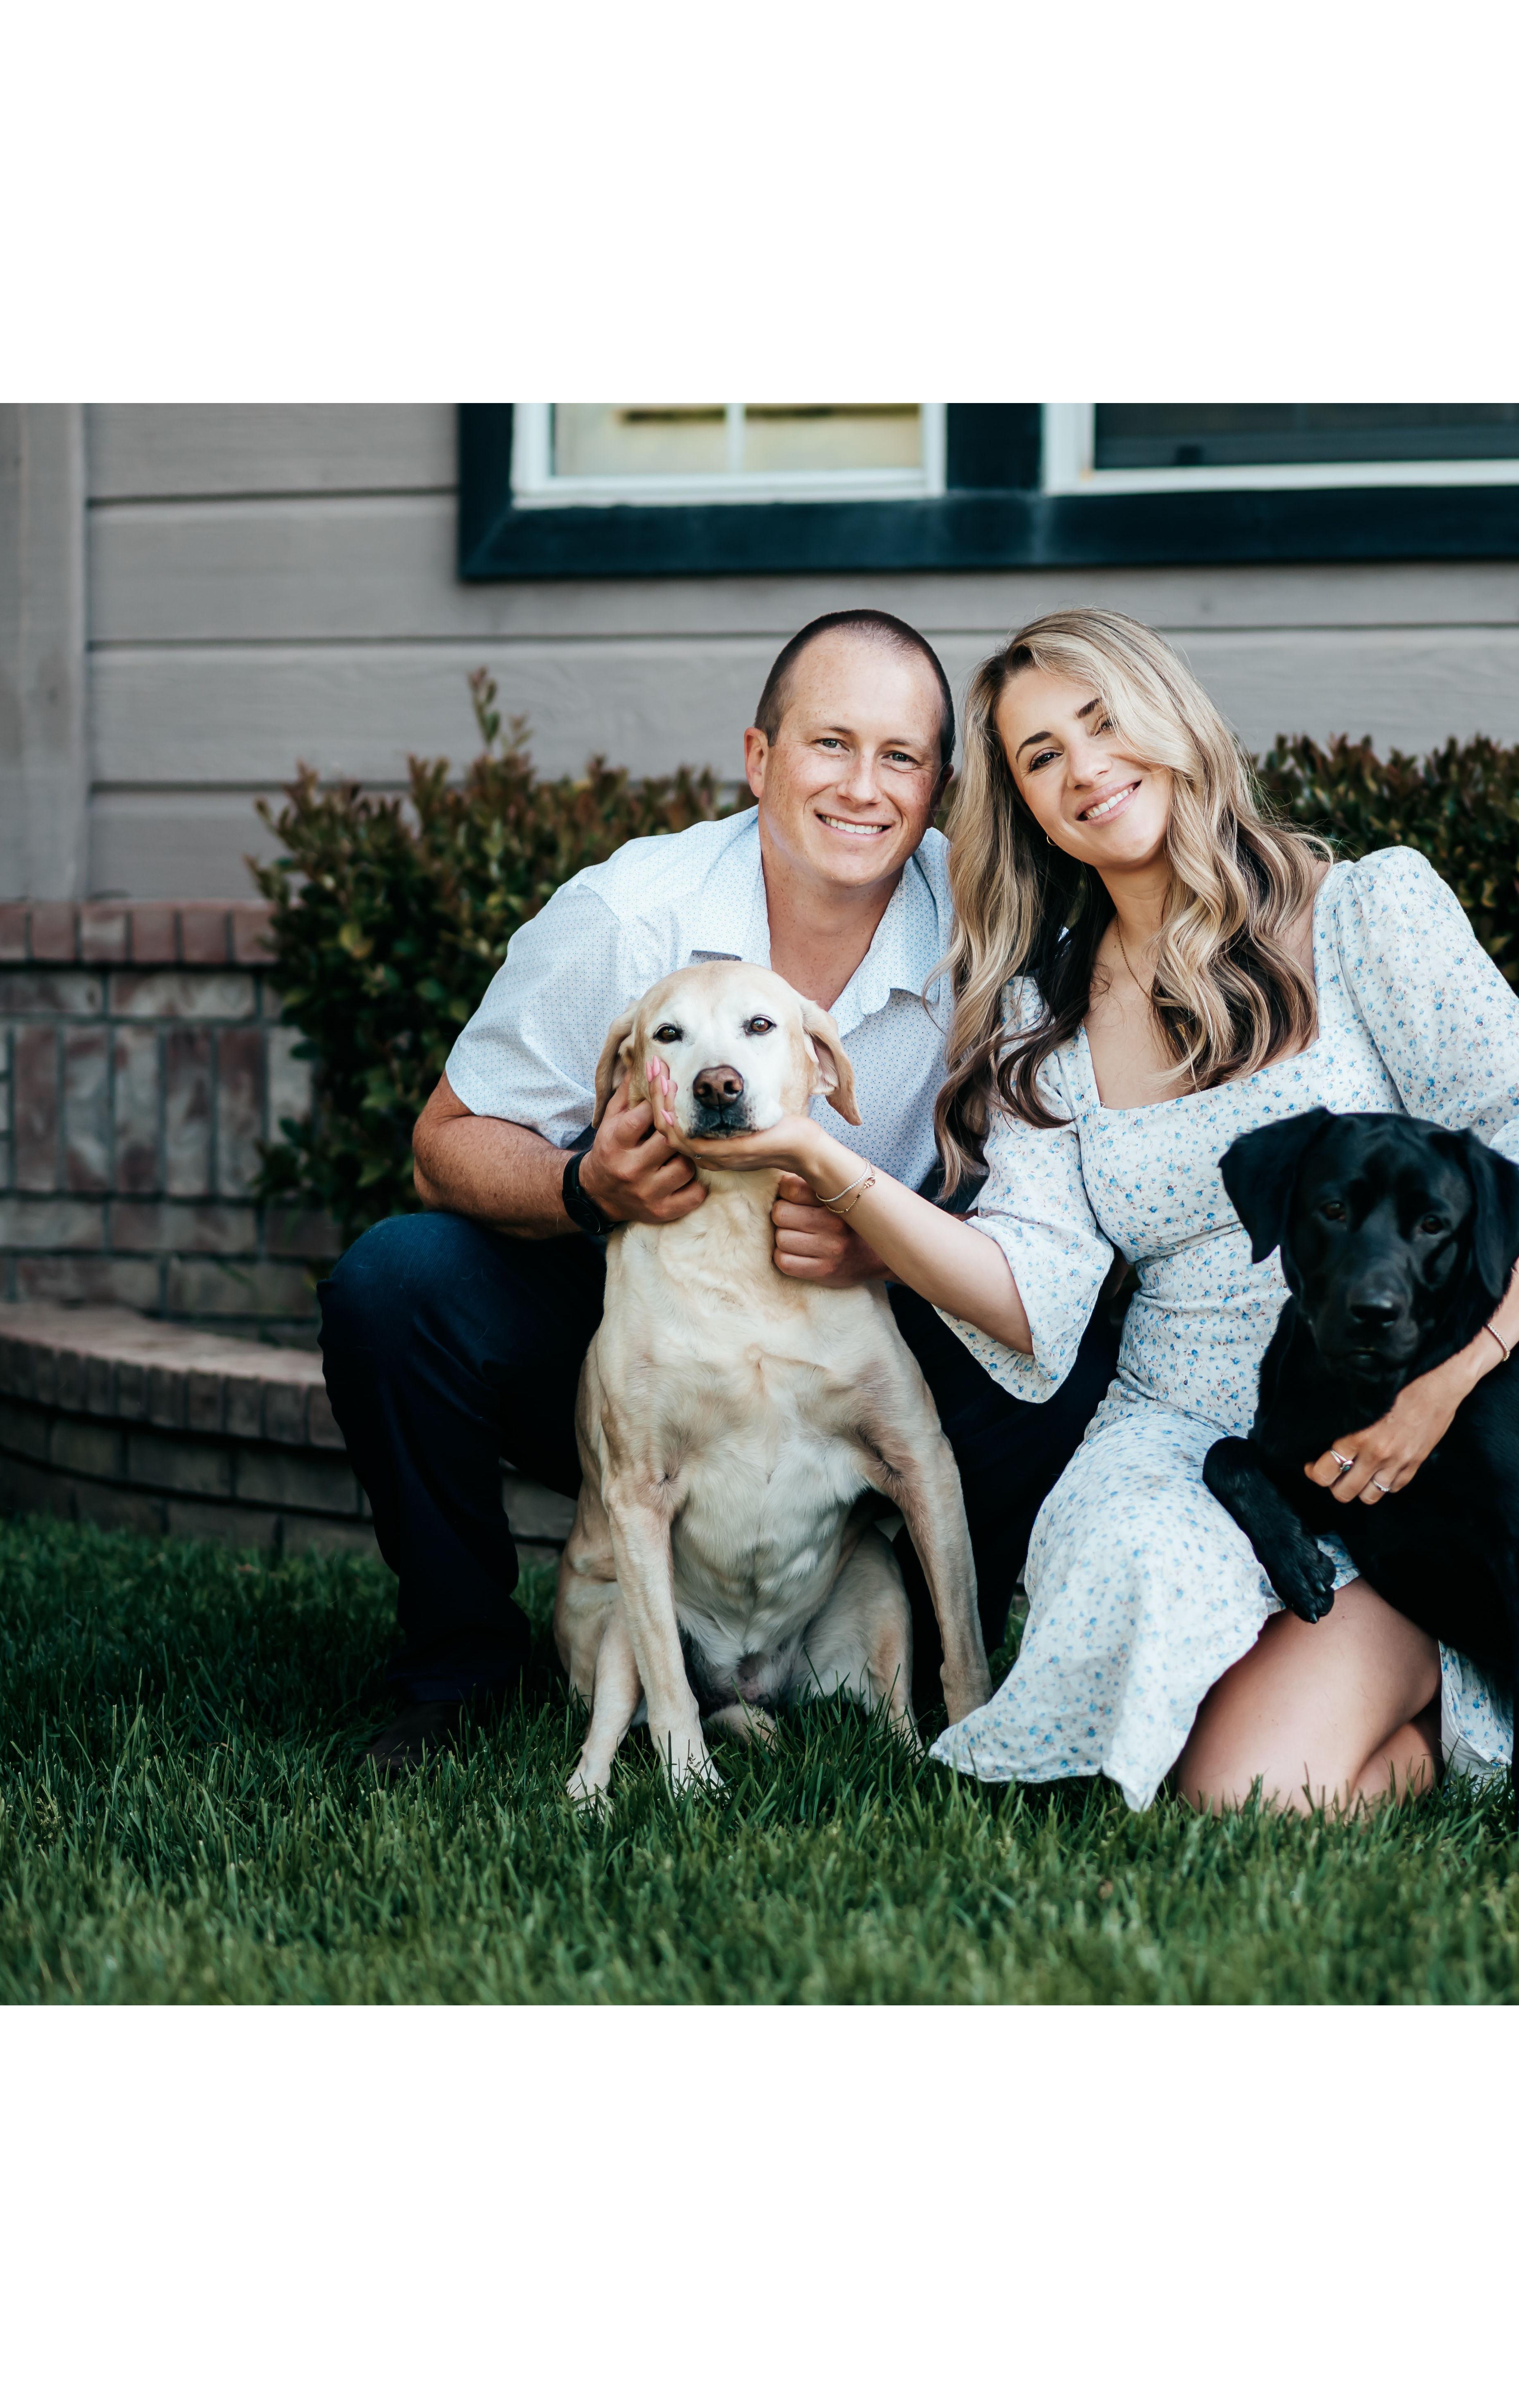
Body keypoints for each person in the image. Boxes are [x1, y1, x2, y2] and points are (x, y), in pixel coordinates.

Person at [670, 608, 1519, 1815]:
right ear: (1026, 808)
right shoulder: (1043, 1017)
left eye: (1105, 721)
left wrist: (1442, 1392)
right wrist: (830, 1168)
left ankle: (1441, 1688)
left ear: (1175, 721)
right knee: (1138, 1650)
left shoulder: (1365, 914)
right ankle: (1297, 1678)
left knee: (1250, 1790)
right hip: (1179, 1432)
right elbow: (1030, 1297)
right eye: (1041, 756)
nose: (1086, 769)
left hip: (1393, 1435)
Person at [318, 610, 1119, 1771]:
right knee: (396, 1283)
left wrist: (887, 1243)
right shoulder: (628, 915)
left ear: (938, 787)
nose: (862, 787)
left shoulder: (987, 930)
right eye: (829, 744)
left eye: (899, 757)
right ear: (759, 757)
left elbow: (1045, 1194)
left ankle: (953, 1671)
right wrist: (585, 1185)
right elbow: (443, 1144)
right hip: (649, 1337)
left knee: (1061, 1337)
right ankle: (455, 1670)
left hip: (858, 1325)